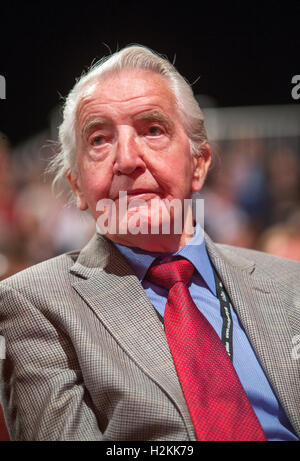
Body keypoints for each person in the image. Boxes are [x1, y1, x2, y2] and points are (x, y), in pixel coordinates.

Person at [0, 45, 299, 441]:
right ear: (77, 187)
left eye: (152, 130)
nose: (126, 159)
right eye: (100, 139)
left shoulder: (291, 283)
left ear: (199, 163)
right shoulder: (35, 303)